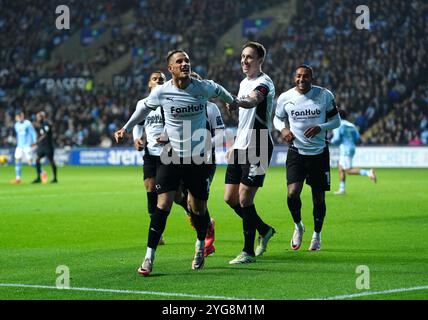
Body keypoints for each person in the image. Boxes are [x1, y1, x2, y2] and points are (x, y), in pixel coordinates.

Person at [114, 50, 237, 276]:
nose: (185, 64)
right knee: (163, 205)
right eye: (179, 61)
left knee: (197, 208)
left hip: (198, 159)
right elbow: (143, 108)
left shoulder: (202, 87)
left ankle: (200, 245)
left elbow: (219, 90)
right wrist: (126, 128)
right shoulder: (162, 92)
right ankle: (149, 257)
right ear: (170, 68)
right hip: (171, 156)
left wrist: (232, 102)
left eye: (187, 60)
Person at [273, 65, 341, 251]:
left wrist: (321, 127)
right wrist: (283, 129)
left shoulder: (324, 95)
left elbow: (337, 121)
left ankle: (317, 235)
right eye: (298, 76)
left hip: (319, 153)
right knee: (292, 192)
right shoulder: (286, 97)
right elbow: (277, 119)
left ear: (312, 78)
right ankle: (298, 226)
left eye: (305, 76)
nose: (301, 79)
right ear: (294, 78)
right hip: (296, 152)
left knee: (318, 198)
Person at [224, 42, 276, 264]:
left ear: (260, 60)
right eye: (242, 57)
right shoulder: (243, 82)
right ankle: (264, 229)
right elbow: (243, 119)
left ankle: (248, 251)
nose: (244, 61)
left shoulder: (264, 83)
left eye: (249, 57)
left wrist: (236, 102)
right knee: (230, 198)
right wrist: (234, 144)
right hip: (240, 145)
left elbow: (253, 100)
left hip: (259, 144)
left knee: (245, 198)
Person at [330, 108, 376, 195]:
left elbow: (336, 139)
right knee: (340, 168)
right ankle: (342, 189)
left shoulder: (338, 125)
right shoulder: (351, 125)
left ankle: (368, 173)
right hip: (352, 147)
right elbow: (358, 139)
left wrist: (329, 141)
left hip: (345, 149)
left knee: (348, 170)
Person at [11, 111, 37, 184]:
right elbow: (18, 135)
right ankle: (18, 178)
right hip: (19, 146)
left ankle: (42, 172)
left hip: (27, 146)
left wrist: (35, 142)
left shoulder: (27, 123)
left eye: (19, 116)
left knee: (30, 163)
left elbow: (33, 133)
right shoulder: (16, 125)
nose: (18, 118)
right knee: (17, 161)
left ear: (21, 116)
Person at [32, 111, 58, 184]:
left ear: (42, 117)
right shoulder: (41, 125)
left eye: (38, 117)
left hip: (48, 146)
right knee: (37, 160)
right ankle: (38, 177)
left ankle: (55, 178)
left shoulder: (47, 124)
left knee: (51, 161)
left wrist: (37, 142)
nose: (37, 118)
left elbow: (45, 135)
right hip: (42, 146)